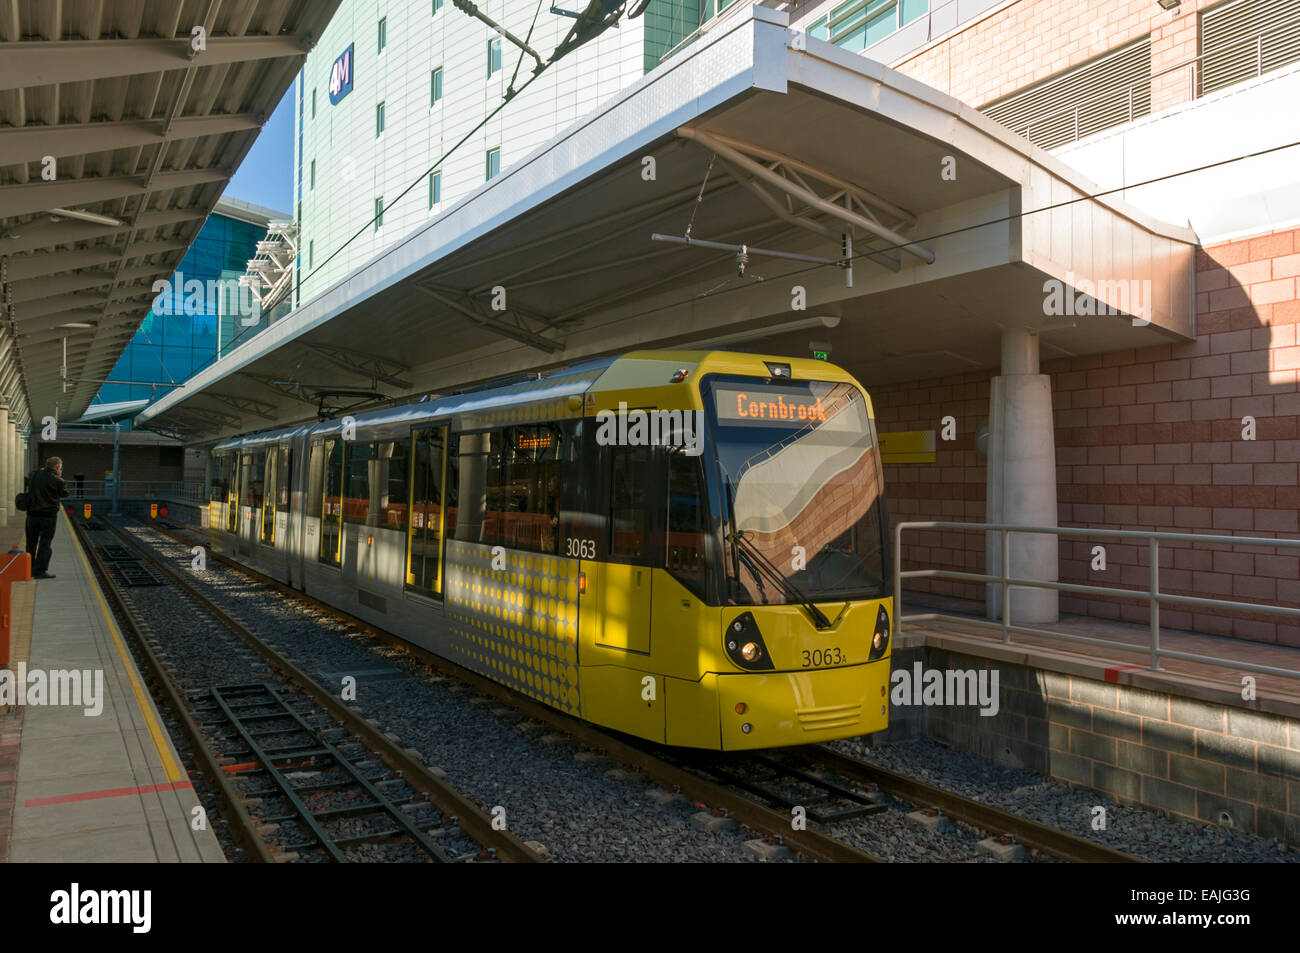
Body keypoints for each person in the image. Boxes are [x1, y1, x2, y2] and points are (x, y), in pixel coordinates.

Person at [26, 456, 69, 579]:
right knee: (45, 543)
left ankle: (28, 569)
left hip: (32, 515)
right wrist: (59, 478)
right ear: (56, 467)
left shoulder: (33, 475)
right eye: (61, 468)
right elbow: (64, 493)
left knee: (30, 543)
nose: (61, 470)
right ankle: (39, 571)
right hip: (48, 517)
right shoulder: (58, 481)